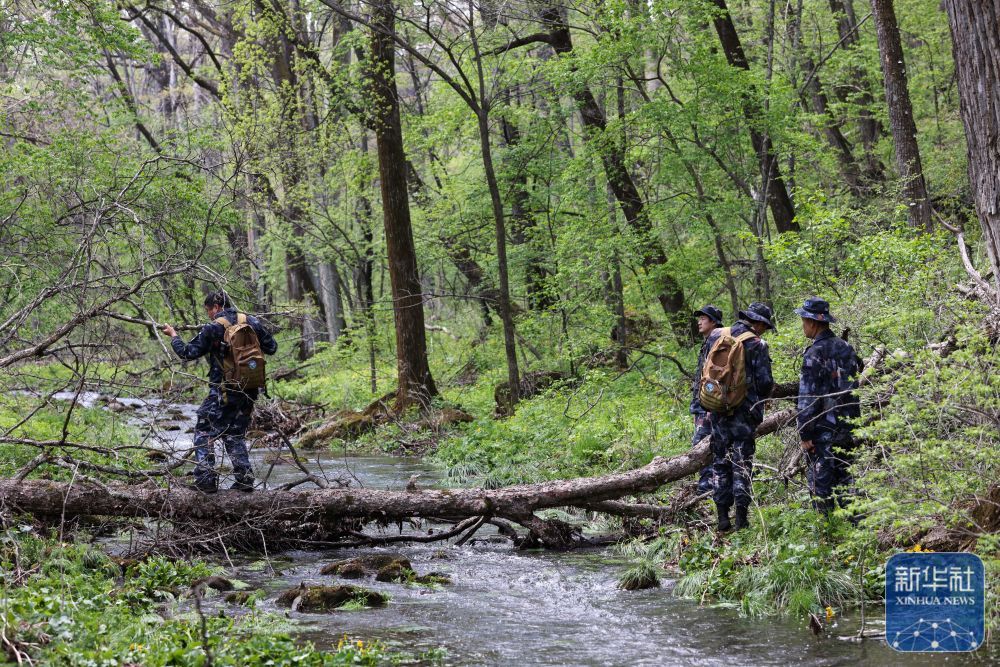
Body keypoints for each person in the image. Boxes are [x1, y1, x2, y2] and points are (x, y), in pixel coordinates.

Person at [161, 291, 278, 493]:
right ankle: (244, 480)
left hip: (224, 390)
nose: (208, 315)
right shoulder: (252, 322)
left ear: (215, 307)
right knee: (235, 434)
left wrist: (174, 336)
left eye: (208, 310)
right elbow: (272, 347)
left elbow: (187, 353)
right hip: (250, 389)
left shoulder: (213, 327)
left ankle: (206, 480)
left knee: (204, 430)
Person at [705, 302, 775, 532]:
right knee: (742, 463)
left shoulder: (716, 335)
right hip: (744, 413)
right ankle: (741, 520)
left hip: (717, 410)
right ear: (758, 323)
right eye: (764, 326)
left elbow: (702, 375)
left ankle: (722, 518)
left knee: (720, 462)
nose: (764, 331)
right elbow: (765, 384)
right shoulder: (757, 344)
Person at [795, 297, 860, 515]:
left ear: (812, 322)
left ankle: (826, 538)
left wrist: (805, 433)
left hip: (823, 431)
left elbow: (807, 399)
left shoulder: (814, 354)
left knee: (820, 488)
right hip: (849, 426)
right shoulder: (846, 347)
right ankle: (859, 530)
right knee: (847, 483)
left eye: (803, 320)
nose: (802, 325)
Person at [691, 305, 724, 495]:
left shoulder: (717, 343)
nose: (699, 321)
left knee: (702, 447)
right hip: (702, 406)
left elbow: (715, 379)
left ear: (713, 321)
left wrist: (710, 401)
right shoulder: (708, 343)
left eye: (704, 318)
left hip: (708, 408)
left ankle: (706, 490)